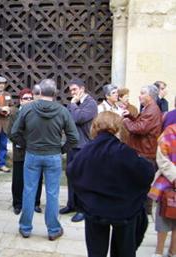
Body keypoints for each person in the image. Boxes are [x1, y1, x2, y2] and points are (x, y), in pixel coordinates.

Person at [68, 111, 155, 257]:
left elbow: (72, 171)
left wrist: (87, 194)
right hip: (123, 211)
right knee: (124, 250)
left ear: (95, 127)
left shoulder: (86, 151)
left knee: (96, 251)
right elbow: (146, 173)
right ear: (118, 128)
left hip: (94, 209)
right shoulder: (125, 152)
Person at [11, 79, 79, 240]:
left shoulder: (27, 108)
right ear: (55, 93)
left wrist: (26, 145)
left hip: (32, 155)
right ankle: (53, 229)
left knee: (29, 191)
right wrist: (61, 149)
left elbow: (14, 133)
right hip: (53, 156)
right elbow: (74, 138)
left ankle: (25, 228)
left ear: (40, 92)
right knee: (52, 193)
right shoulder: (62, 111)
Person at [59, 78, 98, 223]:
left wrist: (73, 105)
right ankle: (72, 204)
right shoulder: (73, 103)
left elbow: (78, 118)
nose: (72, 93)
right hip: (72, 145)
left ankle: (83, 209)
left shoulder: (91, 103)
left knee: (82, 178)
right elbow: (67, 120)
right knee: (71, 175)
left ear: (82, 89)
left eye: (75, 90)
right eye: (71, 91)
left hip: (84, 146)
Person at [123, 85, 162, 214]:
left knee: (143, 184)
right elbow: (142, 123)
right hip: (143, 151)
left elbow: (140, 128)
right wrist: (131, 117)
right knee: (141, 183)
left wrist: (125, 121)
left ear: (150, 96)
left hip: (145, 152)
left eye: (142, 93)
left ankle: (143, 211)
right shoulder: (148, 108)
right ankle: (141, 210)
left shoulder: (152, 110)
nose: (139, 95)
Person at [7, 88, 43, 215]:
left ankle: (36, 203)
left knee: (36, 178)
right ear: (20, 100)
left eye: (30, 98)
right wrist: (24, 144)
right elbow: (11, 133)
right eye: (25, 98)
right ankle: (18, 203)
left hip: (35, 151)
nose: (28, 100)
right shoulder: (14, 113)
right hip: (20, 151)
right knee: (18, 179)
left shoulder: (38, 112)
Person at [151, 100, 176, 257]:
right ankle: (159, 252)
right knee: (164, 218)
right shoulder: (170, 132)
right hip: (168, 181)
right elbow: (161, 157)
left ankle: (173, 251)